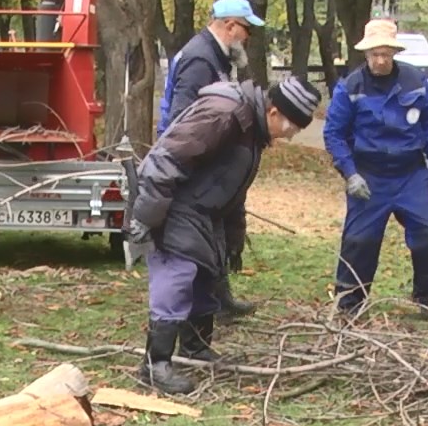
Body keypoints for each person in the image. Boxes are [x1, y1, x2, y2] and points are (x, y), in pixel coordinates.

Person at [125, 77, 322, 396]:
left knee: (207, 274)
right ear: (274, 112)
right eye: (292, 127)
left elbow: (234, 190)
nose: (290, 135)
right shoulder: (224, 114)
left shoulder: (252, 129)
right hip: (173, 203)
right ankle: (155, 364)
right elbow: (168, 158)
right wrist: (146, 216)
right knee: (177, 275)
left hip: (204, 210)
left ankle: (196, 349)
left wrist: (233, 238)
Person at [323, 19, 428, 321]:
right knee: (360, 240)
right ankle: (349, 303)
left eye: (385, 54)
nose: (380, 60)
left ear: (394, 52)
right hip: (369, 175)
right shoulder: (351, 87)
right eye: (374, 54)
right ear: (366, 54)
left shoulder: (415, 81)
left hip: (410, 173)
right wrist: (350, 173)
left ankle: (426, 299)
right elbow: (334, 134)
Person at [158, 0, 267, 317]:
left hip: (201, 158)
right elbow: (182, 118)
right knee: (203, 231)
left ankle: (220, 300)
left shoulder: (213, 56)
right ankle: (205, 305)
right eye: (247, 30)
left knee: (215, 227)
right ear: (230, 26)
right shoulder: (200, 59)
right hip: (191, 161)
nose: (248, 37)